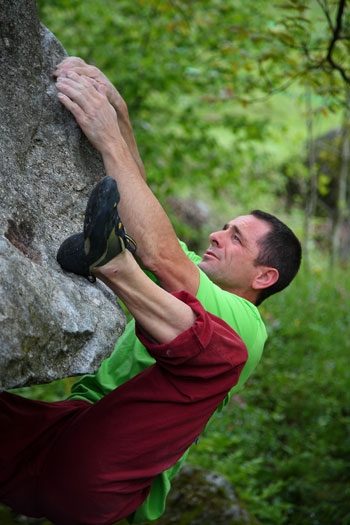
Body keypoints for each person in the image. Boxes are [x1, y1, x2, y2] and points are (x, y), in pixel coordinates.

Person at [0, 58, 302, 525]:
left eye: (236, 238)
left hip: (108, 473)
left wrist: (108, 140)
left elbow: (160, 254)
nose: (218, 236)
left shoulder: (246, 323)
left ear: (264, 278)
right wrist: (114, 108)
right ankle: (114, 259)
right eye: (223, 227)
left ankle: (114, 264)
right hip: (61, 438)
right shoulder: (184, 284)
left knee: (221, 354)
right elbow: (143, 212)